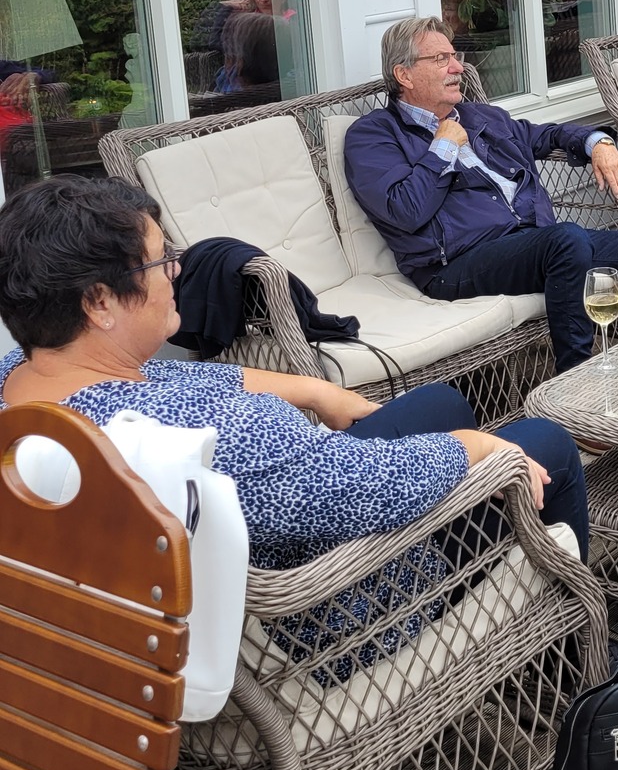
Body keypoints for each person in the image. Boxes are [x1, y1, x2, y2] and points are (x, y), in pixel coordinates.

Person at [0, 174, 585, 601]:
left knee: (443, 402)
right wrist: (482, 449)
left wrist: (316, 391)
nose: (176, 271)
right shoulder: (216, 438)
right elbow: (372, 486)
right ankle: (569, 662)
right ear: (99, 302)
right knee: (545, 444)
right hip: (339, 609)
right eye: (160, 262)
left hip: (235, 560)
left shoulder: (26, 383)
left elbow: (187, 379)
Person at [343, 17, 618, 374]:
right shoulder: (373, 136)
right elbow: (405, 210)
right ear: (404, 75)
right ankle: (577, 382)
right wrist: (442, 146)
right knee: (565, 240)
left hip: (535, 243)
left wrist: (598, 142)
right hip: (457, 264)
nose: (457, 67)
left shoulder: (478, 117)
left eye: (455, 56)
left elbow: (548, 135)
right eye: (441, 59)